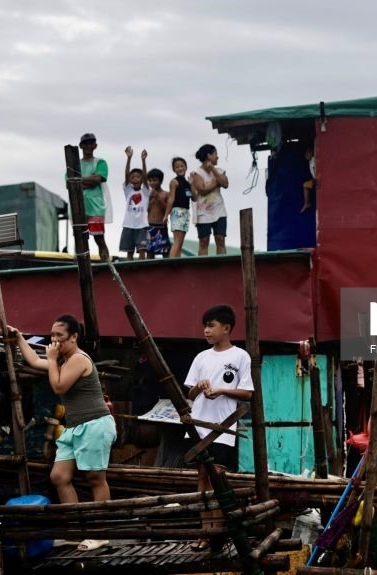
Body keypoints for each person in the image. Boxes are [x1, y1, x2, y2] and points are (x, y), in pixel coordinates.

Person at [10, 315, 116, 503]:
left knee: (95, 478)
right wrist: (18, 337)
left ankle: (100, 528)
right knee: (59, 477)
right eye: (52, 335)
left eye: (59, 335)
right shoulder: (63, 362)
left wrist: (51, 360)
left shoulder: (78, 359)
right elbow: (34, 361)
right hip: (74, 427)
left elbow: (59, 387)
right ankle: (75, 526)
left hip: (94, 424)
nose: (54, 340)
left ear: (73, 337)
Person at [184, 304, 254, 551]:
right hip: (198, 426)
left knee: (218, 477)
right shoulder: (201, 357)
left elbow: (247, 393)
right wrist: (200, 387)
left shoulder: (240, 356)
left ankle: (217, 533)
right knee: (202, 476)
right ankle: (205, 532)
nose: (206, 330)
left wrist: (222, 390)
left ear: (226, 328)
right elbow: (190, 394)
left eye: (211, 325)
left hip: (223, 427)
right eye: (205, 326)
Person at [190, 144, 229, 256]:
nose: (218, 157)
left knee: (220, 239)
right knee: (204, 241)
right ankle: (202, 269)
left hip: (219, 210)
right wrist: (217, 182)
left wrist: (213, 169)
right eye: (215, 154)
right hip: (203, 212)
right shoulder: (196, 173)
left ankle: (222, 266)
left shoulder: (219, 170)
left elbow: (225, 184)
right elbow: (202, 190)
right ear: (209, 155)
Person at [78, 133, 110, 261]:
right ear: (81, 146)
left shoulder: (100, 162)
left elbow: (97, 179)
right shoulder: (74, 163)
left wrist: (79, 181)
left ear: (95, 145)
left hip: (96, 206)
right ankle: (82, 265)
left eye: (91, 143)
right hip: (78, 206)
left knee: (99, 238)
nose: (88, 146)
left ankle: (106, 263)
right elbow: (69, 183)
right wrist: (88, 181)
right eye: (86, 143)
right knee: (80, 239)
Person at [120, 146, 151, 260]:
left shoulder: (145, 192)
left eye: (138, 177)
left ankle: (142, 270)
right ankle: (129, 269)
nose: (135, 179)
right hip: (128, 225)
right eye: (133, 177)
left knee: (142, 250)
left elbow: (146, 177)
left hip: (142, 225)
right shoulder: (128, 191)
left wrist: (143, 160)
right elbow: (126, 174)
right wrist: (129, 158)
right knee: (129, 251)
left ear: (142, 179)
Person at [163, 157, 193, 258]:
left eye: (182, 166)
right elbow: (171, 199)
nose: (180, 168)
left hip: (185, 211)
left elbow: (195, 198)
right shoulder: (174, 182)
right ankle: (171, 262)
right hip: (177, 211)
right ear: (174, 169)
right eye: (177, 167)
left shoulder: (188, 183)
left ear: (186, 167)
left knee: (180, 242)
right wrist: (166, 215)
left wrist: (192, 184)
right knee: (177, 241)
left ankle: (177, 262)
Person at [146, 168, 171, 258]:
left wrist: (158, 198)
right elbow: (144, 209)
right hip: (150, 225)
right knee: (149, 252)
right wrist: (148, 199)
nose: (152, 183)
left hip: (161, 225)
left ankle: (167, 270)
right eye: (150, 180)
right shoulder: (147, 194)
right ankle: (149, 271)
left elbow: (168, 209)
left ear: (160, 181)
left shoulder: (166, 194)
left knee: (165, 251)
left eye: (155, 180)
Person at [301, 144, 315, 213]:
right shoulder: (310, 161)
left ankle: (306, 204)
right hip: (314, 179)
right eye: (306, 153)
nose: (306, 155)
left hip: (316, 180)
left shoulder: (314, 159)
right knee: (305, 185)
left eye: (308, 153)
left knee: (305, 185)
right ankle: (306, 203)